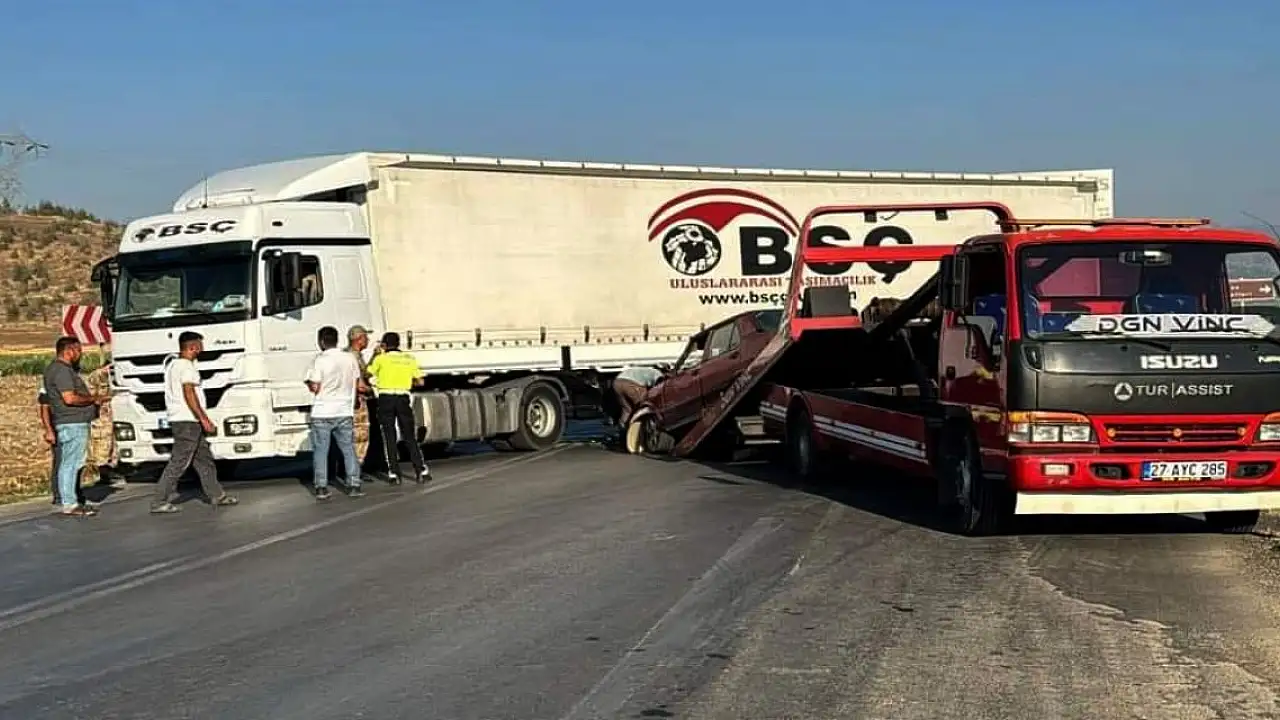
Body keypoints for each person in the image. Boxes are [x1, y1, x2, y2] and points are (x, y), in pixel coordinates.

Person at [150, 331, 239, 514]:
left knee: (204, 460)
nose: (202, 348)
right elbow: (189, 393)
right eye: (200, 345)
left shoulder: (173, 365)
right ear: (193, 346)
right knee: (179, 462)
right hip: (187, 421)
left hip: (183, 419)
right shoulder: (186, 367)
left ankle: (217, 494)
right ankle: (159, 501)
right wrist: (203, 418)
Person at [42, 336, 108, 517]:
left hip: (70, 422)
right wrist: (93, 399)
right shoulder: (62, 371)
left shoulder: (55, 370)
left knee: (70, 462)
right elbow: (69, 398)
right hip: (72, 423)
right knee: (71, 463)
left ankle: (69, 499)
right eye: (78, 350)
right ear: (69, 351)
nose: (80, 354)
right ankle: (69, 502)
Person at [306, 326, 366, 500]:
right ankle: (354, 484)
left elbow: (315, 387)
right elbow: (358, 383)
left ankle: (321, 487)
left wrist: (308, 383)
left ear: (321, 341)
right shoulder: (350, 358)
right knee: (348, 449)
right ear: (337, 339)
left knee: (321, 451)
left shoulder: (320, 360)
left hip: (323, 411)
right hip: (344, 410)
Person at [366, 331, 430, 484]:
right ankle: (420, 470)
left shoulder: (381, 359)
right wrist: (407, 381)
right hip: (402, 398)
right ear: (398, 343)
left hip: (385, 398)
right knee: (409, 435)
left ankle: (394, 474)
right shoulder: (409, 359)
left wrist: (375, 355)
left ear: (384, 345)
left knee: (389, 436)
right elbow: (420, 382)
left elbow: (367, 373)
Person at [346, 324, 387, 478]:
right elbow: (359, 380)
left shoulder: (356, 355)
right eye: (365, 337)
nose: (368, 340)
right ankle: (356, 469)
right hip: (358, 401)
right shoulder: (351, 356)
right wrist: (374, 389)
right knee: (359, 436)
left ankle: (366, 464)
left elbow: (365, 373)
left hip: (360, 399)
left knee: (366, 434)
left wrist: (375, 356)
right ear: (359, 339)